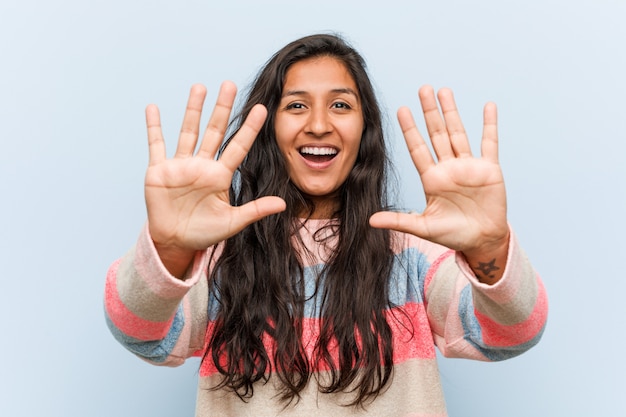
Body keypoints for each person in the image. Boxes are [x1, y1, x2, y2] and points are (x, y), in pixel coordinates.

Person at [104, 34, 548, 416]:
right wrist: (169, 248)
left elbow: (512, 334)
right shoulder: (218, 258)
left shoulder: (411, 255)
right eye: (296, 105)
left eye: (340, 104)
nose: (319, 125)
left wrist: (489, 248)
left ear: (364, 129)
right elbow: (139, 333)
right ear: (268, 130)